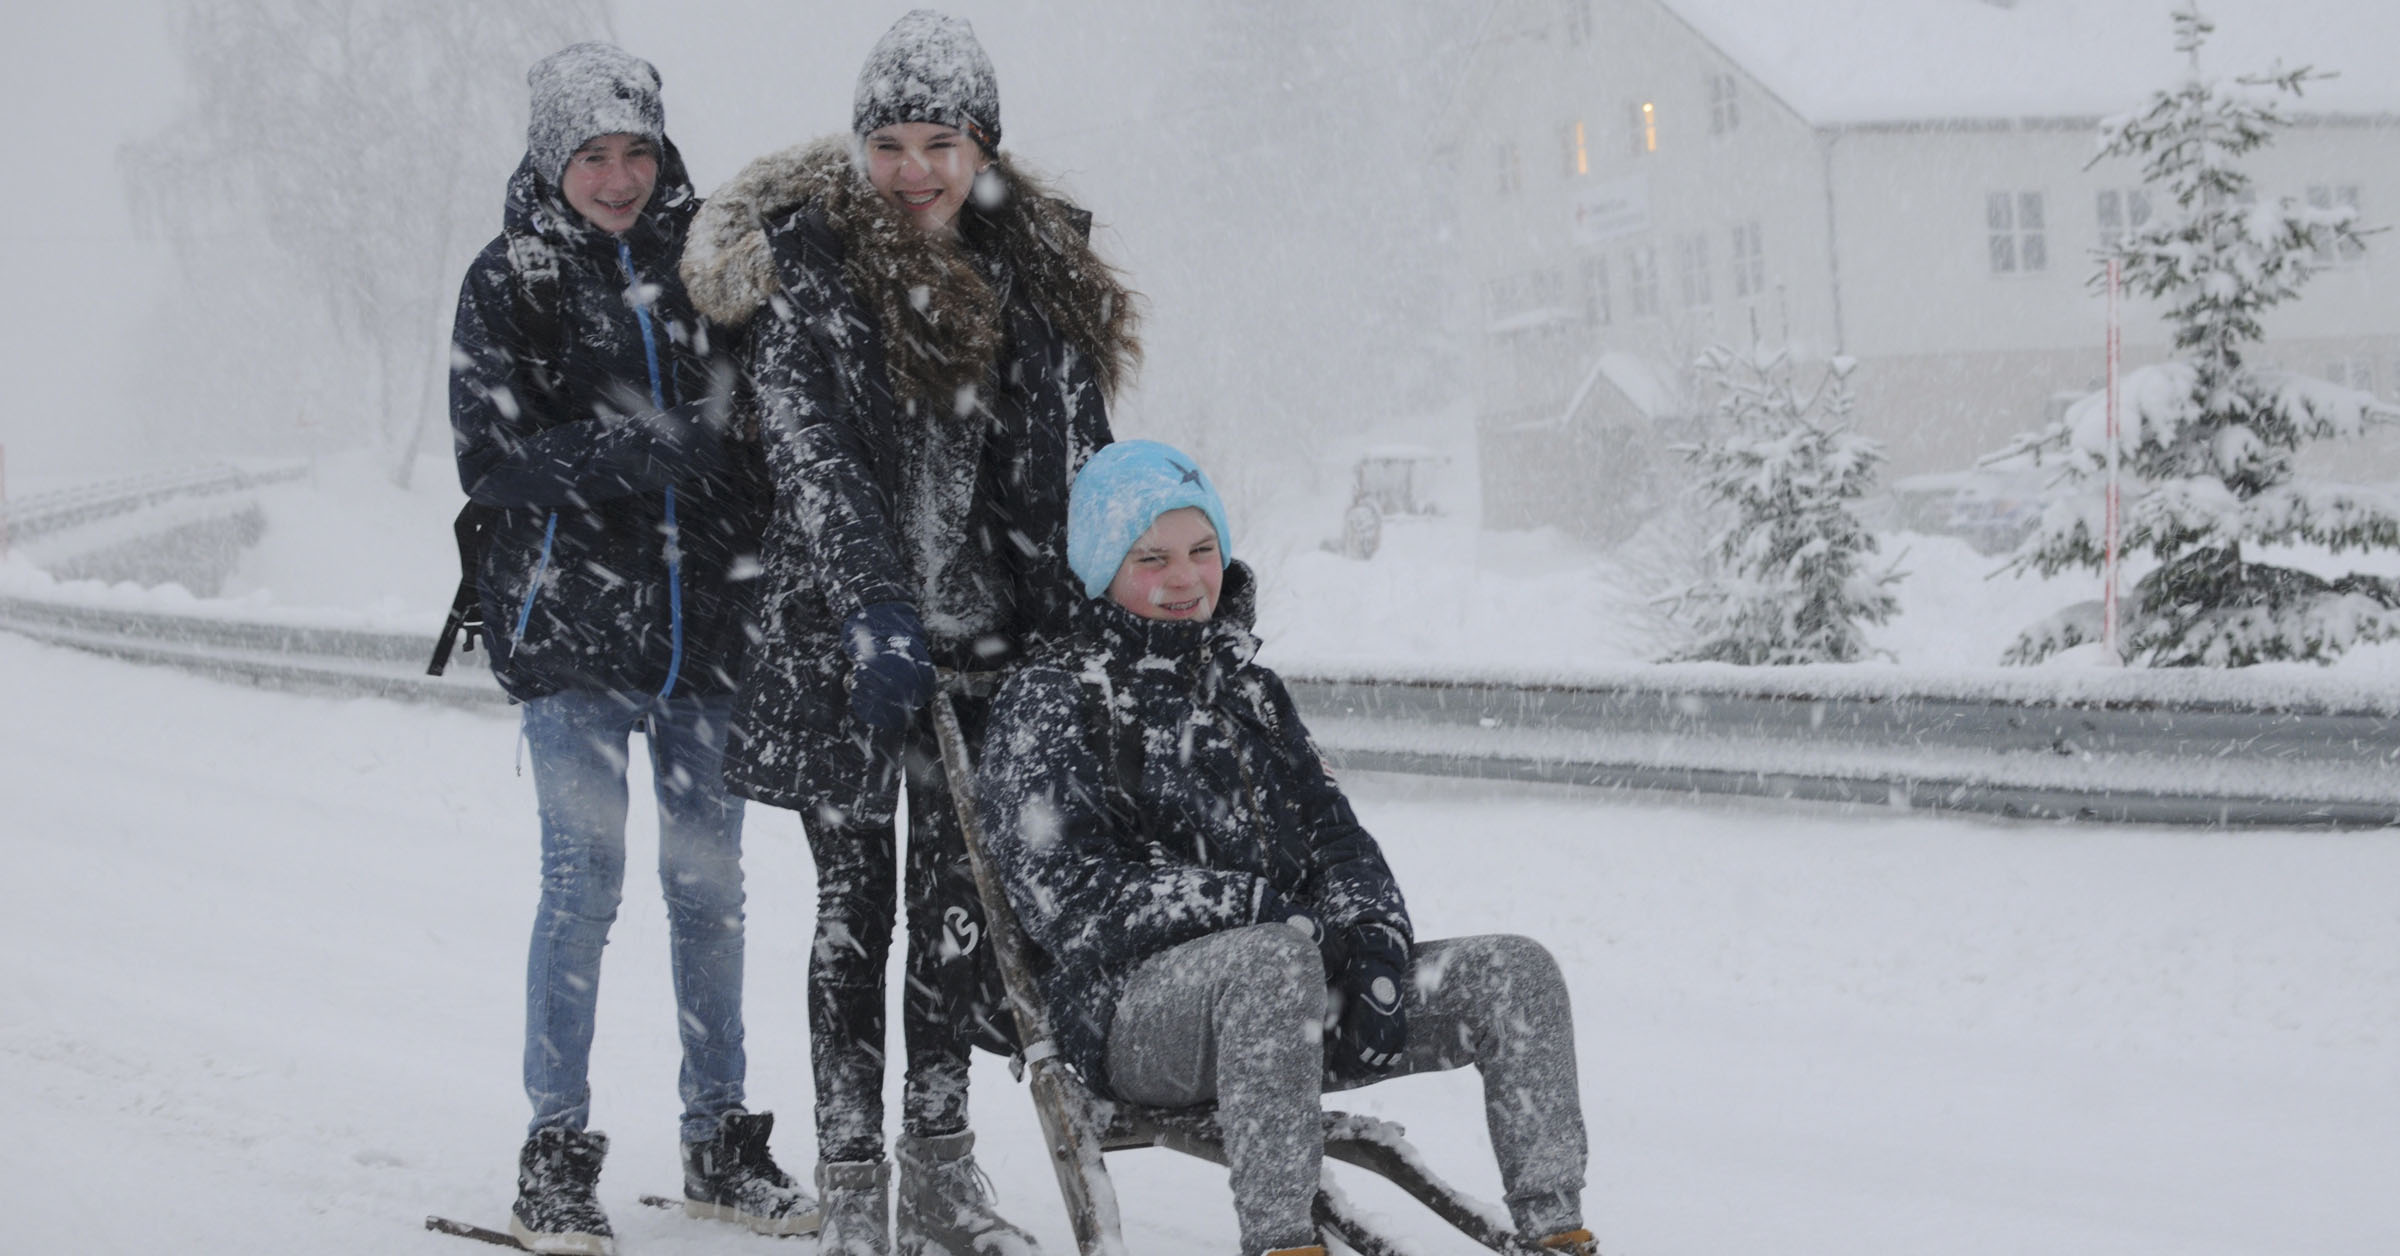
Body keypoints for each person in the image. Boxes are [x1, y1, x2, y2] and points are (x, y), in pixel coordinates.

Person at [679, 10, 1139, 1256]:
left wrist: (1132, 583)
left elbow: (1075, 466)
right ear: (859, 149)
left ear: (982, 146)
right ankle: (853, 1190)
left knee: (957, 912)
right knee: (853, 909)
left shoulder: (1035, 276)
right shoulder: (809, 271)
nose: (913, 169)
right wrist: (874, 604)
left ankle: (940, 1174)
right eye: (889, 141)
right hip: (847, 646)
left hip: (985, 657)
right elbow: (816, 456)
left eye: (940, 140)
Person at [976, 441, 1603, 1256]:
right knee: (1271, 961)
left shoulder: (1249, 693)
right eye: (1152, 557)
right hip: (1135, 1018)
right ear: (1102, 567)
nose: (1185, 578)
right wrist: (1255, 911)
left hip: (1298, 987)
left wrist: (1373, 943)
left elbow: (1336, 840)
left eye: (1204, 551)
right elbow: (1065, 897)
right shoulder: (1054, 698)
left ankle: (1558, 1231)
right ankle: (1284, 1242)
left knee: (1514, 973)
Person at [447, 41, 812, 1256]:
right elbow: (492, 456)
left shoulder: (716, 266)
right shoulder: (512, 278)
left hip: (705, 638)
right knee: (580, 891)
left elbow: (766, 424)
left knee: (711, 895)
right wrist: (638, 454)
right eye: (593, 155)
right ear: (554, 159)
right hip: (572, 640)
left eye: (636, 152)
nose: (618, 178)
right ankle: (554, 1158)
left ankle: (721, 1139)